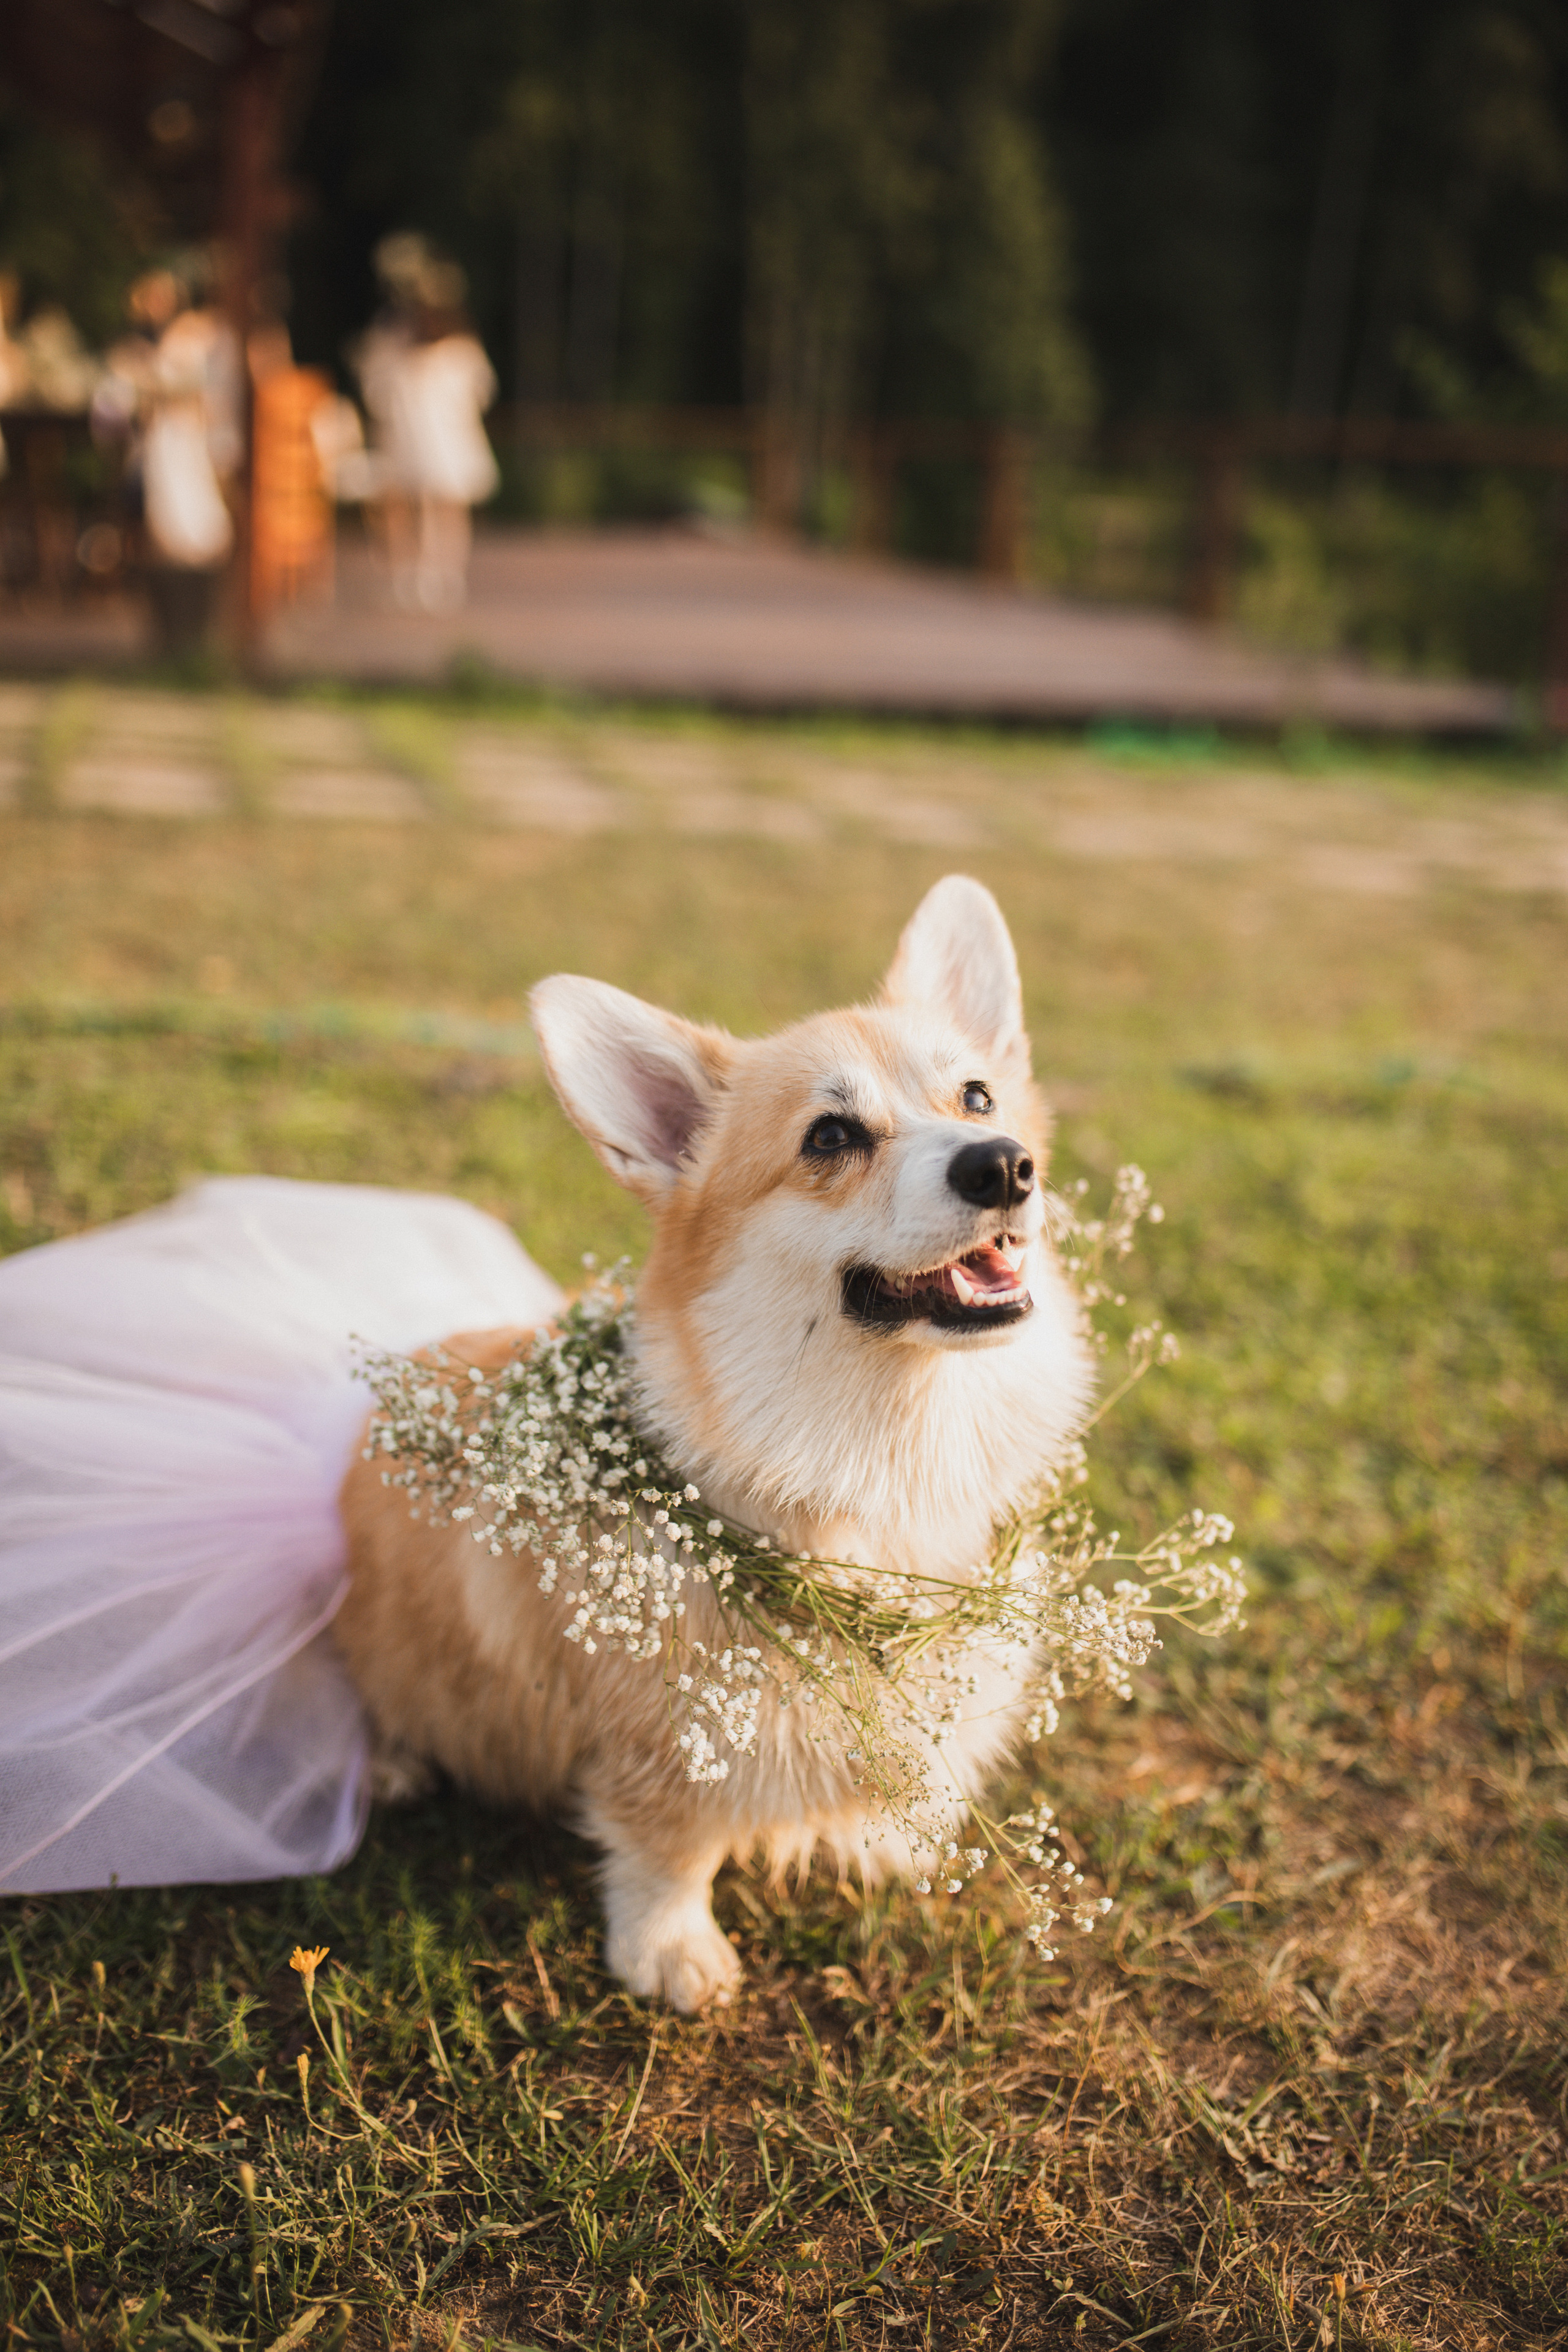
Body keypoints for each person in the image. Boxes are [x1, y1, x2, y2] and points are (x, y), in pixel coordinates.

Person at [353, 236, 499, 612]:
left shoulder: (459, 350)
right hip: (407, 440)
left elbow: (479, 391)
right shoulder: (392, 344)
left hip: (446, 441)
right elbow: (375, 391)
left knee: (445, 505)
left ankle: (445, 572)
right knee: (404, 506)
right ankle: (407, 573)